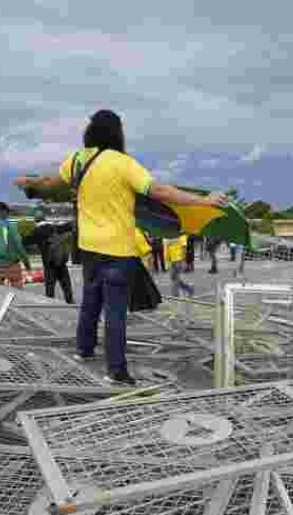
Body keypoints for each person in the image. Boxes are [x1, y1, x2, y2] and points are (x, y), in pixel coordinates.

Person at [60, 109, 227, 386]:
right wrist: (204, 200)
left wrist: (32, 184)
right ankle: (116, 372)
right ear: (118, 133)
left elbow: (55, 181)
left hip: (88, 247)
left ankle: (84, 350)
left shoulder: (76, 160)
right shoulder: (123, 163)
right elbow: (159, 191)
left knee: (90, 301)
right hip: (118, 250)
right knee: (114, 312)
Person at [33, 207, 75, 303]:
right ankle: (71, 303)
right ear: (45, 218)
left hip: (49, 264)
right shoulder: (54, 227)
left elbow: (24, 242)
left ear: (35, 219)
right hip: (60, 261)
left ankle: (50, 307)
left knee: (50, 289)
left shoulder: (36, 232)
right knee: (66, 285)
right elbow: (68, 226)